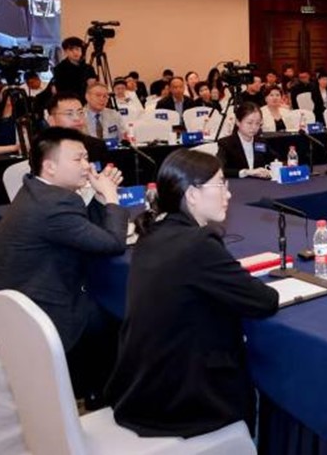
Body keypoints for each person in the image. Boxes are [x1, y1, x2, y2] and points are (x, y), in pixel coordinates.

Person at [105, 149, 278, 438]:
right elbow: (264, 300)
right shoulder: (198, 243)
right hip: (183, 397)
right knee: (264, 392)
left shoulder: (152, 232)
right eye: (220, 184)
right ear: (193, 194)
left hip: (141, 386)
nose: (228, 194)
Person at [0, 127, 127, 407]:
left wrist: (97, 196)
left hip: (20, 303)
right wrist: (111, 197)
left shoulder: (36, 190)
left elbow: (86, 231)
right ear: (50, 167)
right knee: (121, 310)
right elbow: (113, 243)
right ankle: (103, 393)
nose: (87, 166)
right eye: (78, 159)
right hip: (49, 311)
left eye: (86, 158)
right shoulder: (54, 204)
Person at [215, 102, 277, 178]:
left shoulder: (261, 142)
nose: (254, 127)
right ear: (238, 122)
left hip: (260, 183)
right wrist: (246, 172)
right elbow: (219, 169)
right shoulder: (226, 144)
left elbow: (274, 160)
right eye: (249, 123)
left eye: (257, 123)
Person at [46, 93, 110, 165]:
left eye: (80, 112)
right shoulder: (44, 150)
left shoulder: (97, 146)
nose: (77, 118)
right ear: (51, 120)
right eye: (69, 114)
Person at [52, 36, 97, 102]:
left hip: (85, 101)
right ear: (65, 51)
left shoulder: (88, 68)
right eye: (71, 50)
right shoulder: (59, 68)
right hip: (66, 101)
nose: (75, 52)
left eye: (78, 49)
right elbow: (58, 90)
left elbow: (92, 87)